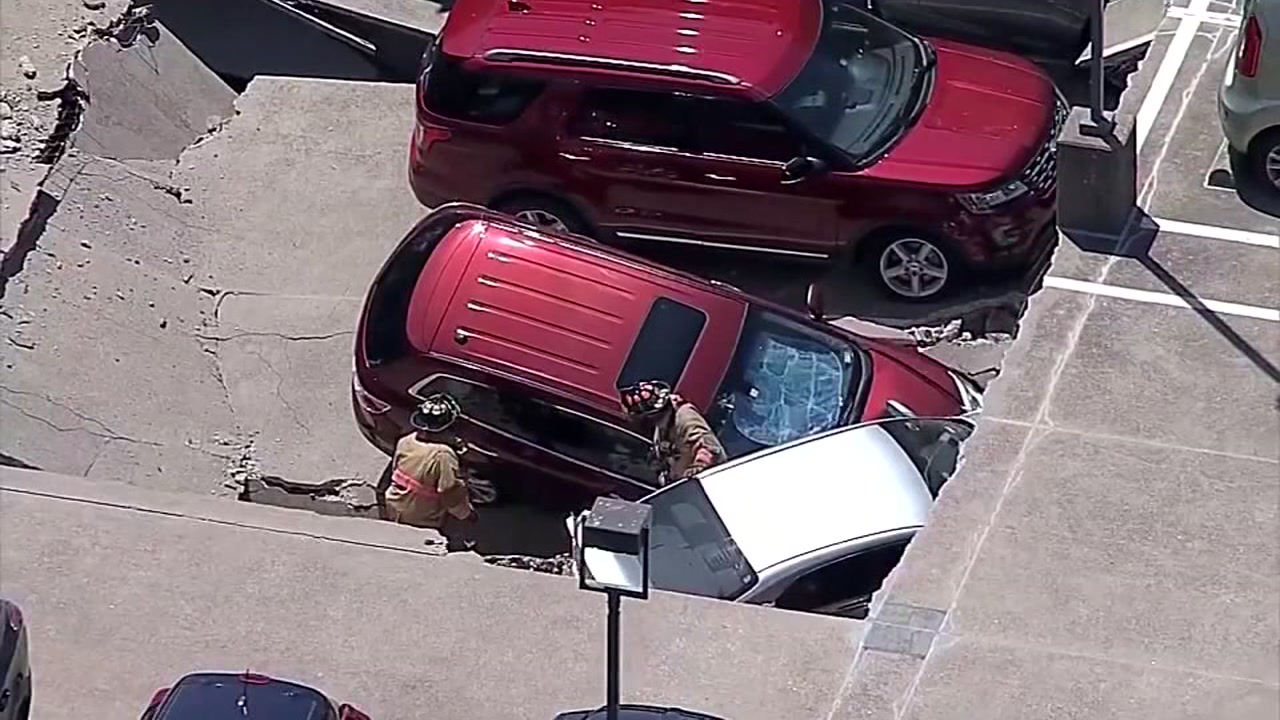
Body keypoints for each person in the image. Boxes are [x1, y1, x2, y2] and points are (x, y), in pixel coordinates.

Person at [378, 393, 480, 550]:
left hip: (395, 503)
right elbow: (449, 491)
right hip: (422, 515)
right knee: (418, 543)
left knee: (398, 537)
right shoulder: (443, 455)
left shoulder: (406, 440)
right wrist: (465, 514)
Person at [619, 380, 727, 485]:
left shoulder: (685, 417)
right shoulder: (661, 429)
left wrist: (694, 474)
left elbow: (708, 449)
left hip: (709, 486)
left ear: (649, 415)